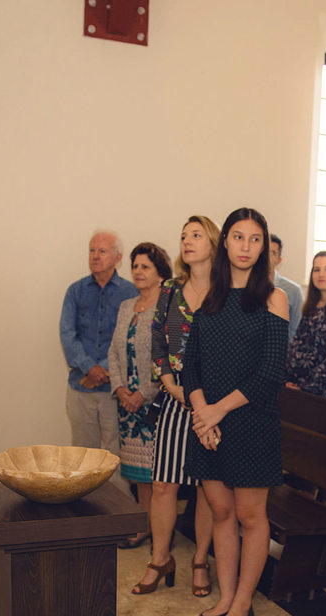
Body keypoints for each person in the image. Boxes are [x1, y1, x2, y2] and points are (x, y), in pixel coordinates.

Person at [185, 208, 289, 616]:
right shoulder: (209, 296)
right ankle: (225, 596)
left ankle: (244, 602)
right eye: (238, 237)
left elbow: (271, 372)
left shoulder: (272, 298)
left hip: (251, 421)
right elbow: (191, 366)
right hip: (209, 425)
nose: (246, 247)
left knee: (249, 515)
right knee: (220, 511)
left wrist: (216, 411)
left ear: (264, 247)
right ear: (224, 241)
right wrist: (201, 414)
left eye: (255, 239)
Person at [135, 216, 218, 593]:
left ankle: (200, 560)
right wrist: (171, 385)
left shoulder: (227, 291)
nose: (187, 241)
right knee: (163, 484)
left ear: (213, 244)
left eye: (196, 235)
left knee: (206, 487)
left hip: (213, 403)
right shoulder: (170, 289)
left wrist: (203, 397)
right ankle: (160, 558)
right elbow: (157, 342)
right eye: (184, 236)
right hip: (174, 398)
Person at [108, 242, 171, 561]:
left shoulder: (168, 306)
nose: (138, 271)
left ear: (160, 272)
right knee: (136, 474)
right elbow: (114, 351)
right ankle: (143, 524)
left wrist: (143, 394)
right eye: (135, 266)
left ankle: (152, 530)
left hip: (155, 404)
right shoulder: (126, 306)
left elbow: (170, 358)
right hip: (126, 404)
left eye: (145, 266)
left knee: (155, 473)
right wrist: (120, 388)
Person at [60, 229, 139, 461]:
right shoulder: (75, 291)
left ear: (118, 258)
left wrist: (103, 371)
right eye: (92, 250)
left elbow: (128, 338)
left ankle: (115, 500)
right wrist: (89, 368)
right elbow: (67, 334)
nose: (95, 256)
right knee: (81, 457)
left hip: (115, 391)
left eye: (102, 251)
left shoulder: (131, 292)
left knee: (115, 456)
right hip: (80, 386)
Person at [285, 250, 326, 398]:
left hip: (321, 391)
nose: (321, 274)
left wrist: (305, 387)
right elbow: (296, 345)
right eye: (317, 270)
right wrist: (288, 379)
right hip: (293, 386)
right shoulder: (310, 307)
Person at [269, 234, 305, 340]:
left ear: (279, 260)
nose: (267, 257)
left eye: (272, 253)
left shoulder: (293, 291)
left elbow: (296, 330)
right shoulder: (244, 285)